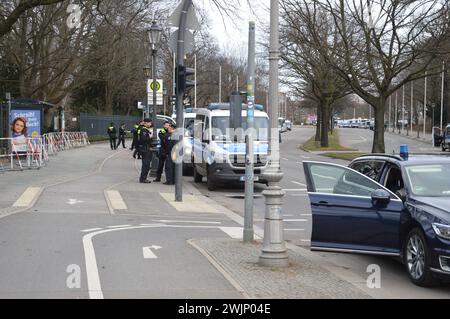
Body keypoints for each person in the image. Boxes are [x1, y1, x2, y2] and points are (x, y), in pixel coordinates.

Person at [137, 118, 153, 183]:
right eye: (149, 123)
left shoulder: (146, 130)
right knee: (146, 164)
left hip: (147, 149)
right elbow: (144, 139)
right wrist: (150, 137)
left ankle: (144, 178)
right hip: (145, 149)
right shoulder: (143, 130)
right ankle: (143, 178)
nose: (150, 124)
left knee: (147, 165)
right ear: (146, 123)